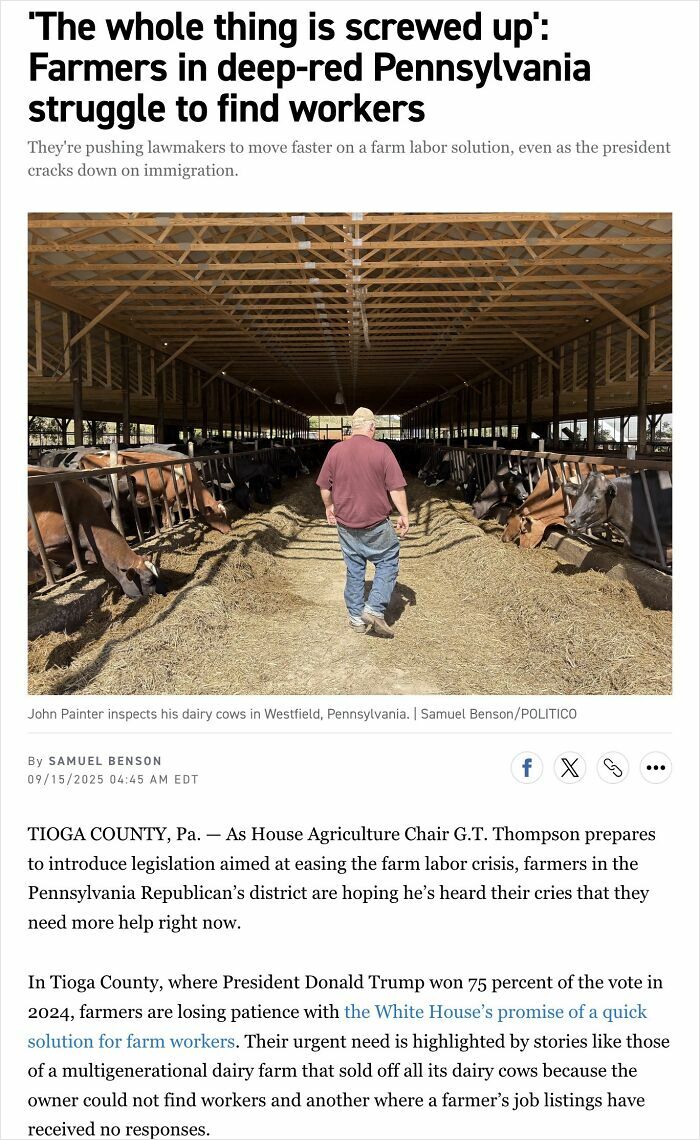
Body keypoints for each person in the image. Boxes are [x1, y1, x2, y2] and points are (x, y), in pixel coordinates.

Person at [316, 408, 409, 638]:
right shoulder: (382, 450)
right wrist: (404, 514)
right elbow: (396, 488)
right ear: (372, 427)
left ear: (353, 427)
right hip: (375, 524)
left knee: (355, 567)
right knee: (388, 558)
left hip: (346, 524)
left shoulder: (336, 450)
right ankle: (374, 608)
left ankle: (356, 618)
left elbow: (324, 487)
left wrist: (329, 507)